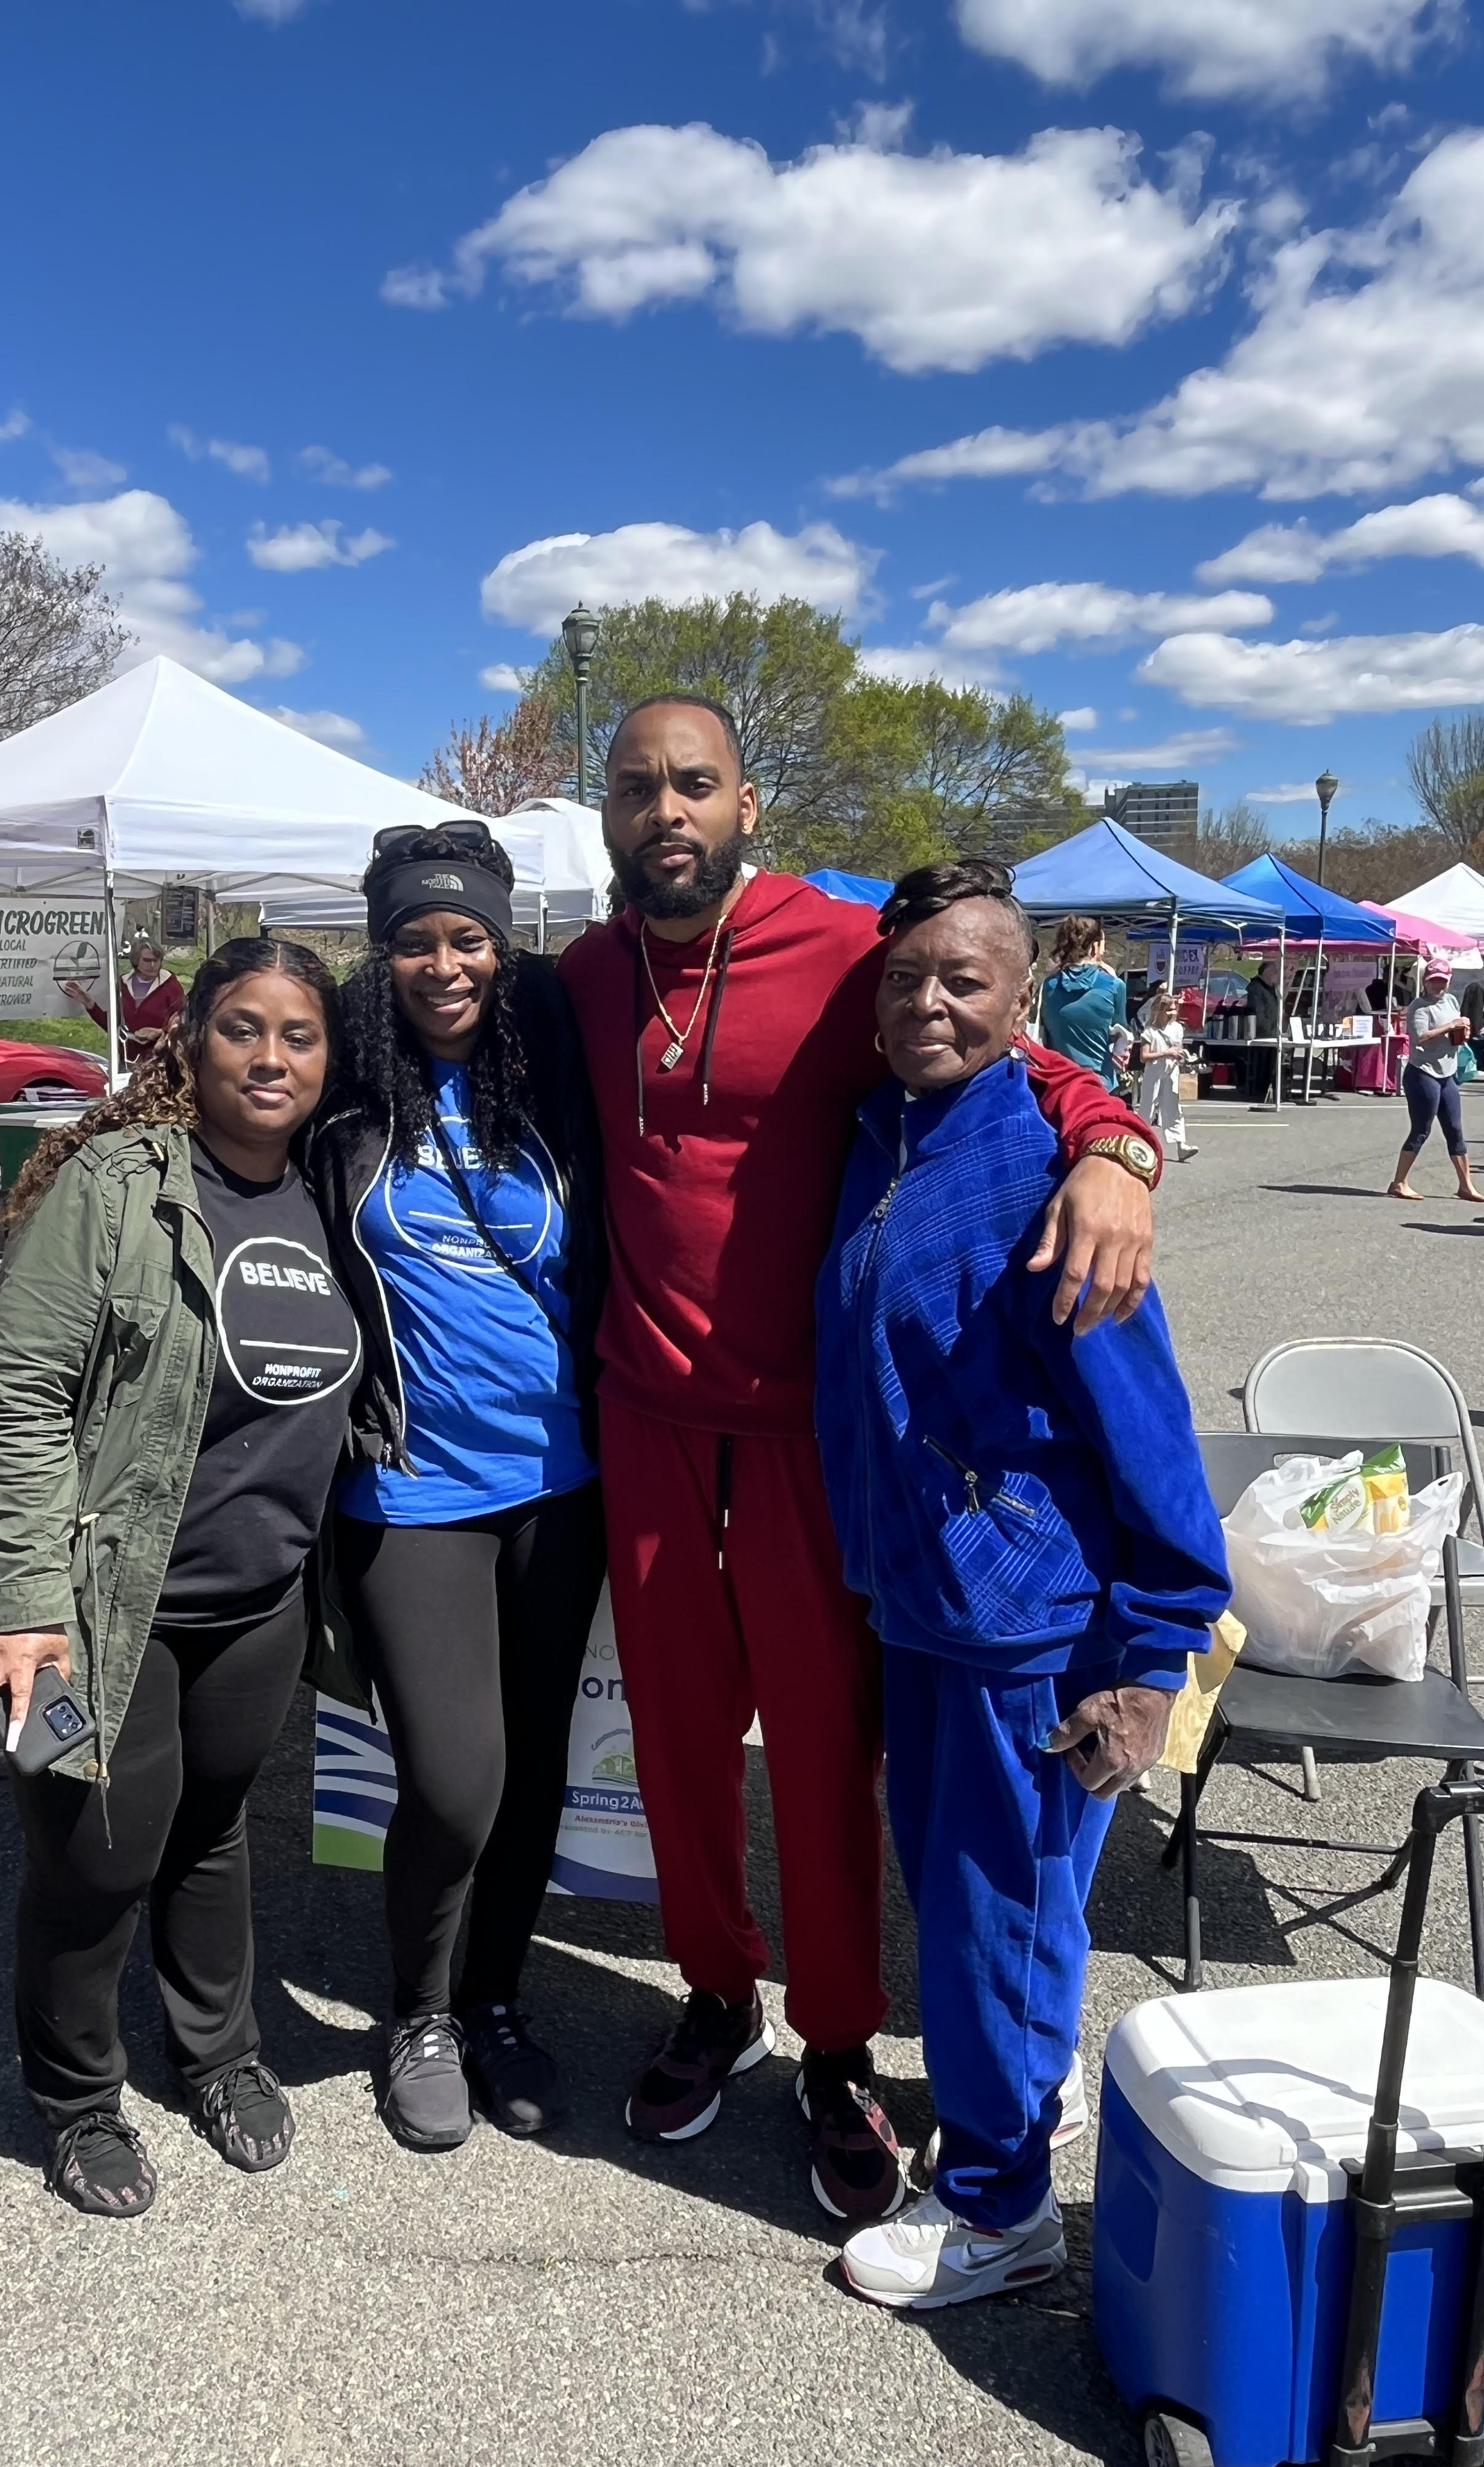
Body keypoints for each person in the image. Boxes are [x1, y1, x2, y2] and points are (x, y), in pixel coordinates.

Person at [556, 695, 1160, 2225]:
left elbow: (1010, 1051)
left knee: (824, 1759)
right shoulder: (576, 974)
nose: (666, 811)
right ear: (609, 810)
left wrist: (1114, 1148)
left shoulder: (837, 955)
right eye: (638, 789)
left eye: (695, 785)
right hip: (646, 1417)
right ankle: (714, 1997)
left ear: (748, 806)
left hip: (813, 1442)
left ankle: (832, 2046)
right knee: (679, 1749)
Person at [0, 940, 374, 2217]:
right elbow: (19, 1392)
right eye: (242, 1028)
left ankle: (219, 2054)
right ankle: (78, 2097)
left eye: (299, 1036)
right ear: (190, 1041)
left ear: (329, 1057)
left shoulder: (333, 1186)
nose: (271, 1057)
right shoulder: (122, 1182)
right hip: (104, 1608)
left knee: (210, 1836)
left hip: (260, 1597)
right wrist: (28, 1602)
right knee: (95, 1861)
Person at [814, 860, 1229, 2309]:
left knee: (1001, 1903)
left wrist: (1156, 1648)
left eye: (965, 980)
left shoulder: (1055, 1172)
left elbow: (1150, 1430)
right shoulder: (889, 1132)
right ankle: (1011, 2118)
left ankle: (1000, 2210)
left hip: (1027, 1621)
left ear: (1021, 1001)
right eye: (909, 976)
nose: (930, 1000)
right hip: (924, 1601)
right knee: (990, 1895)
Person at [310, 823, 607, 2154]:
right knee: (452, 1775)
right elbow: (198, 1106)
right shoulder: (341, 1093)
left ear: (503, 946)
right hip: (413, 1483)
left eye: (468, 937)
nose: (444, 962)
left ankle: (493, 2001)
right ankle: (416, 2011)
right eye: (417, 940)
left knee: (536, 1761)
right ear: (382, 955)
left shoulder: (552, 1080)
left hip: (564, 1478)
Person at [1387, 957, 1482, 1202]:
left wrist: (1464, 1030)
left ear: (1449, 982)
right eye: (1433, 981)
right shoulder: (1419, 1007)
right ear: (1425, 982)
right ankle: (1399, 1183)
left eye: (1442, 981)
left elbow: (1456, 1029)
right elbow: (1421, 1037)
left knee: (1455, 1129)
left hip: (1447, 1073)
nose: (1437, 986)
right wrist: (1452, 1025)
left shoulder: (1451, 1000)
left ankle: (1466, 1186)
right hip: (1423, 1074)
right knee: (1422, 1129)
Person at [1037, 916, 1128, 1090]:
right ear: (1095, 947)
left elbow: (1047, 1033)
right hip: (1100, 1083)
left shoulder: (1049, 986)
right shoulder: (1114, 986)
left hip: (1059, 1083)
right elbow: (1119, 1031)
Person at [68, 932, 185, 1062]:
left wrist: (160, 1033)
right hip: (126, 1061)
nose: (152, 966)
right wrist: (89, 1004)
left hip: (160, 1062)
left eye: (156, 961)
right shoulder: (122, 985)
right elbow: (112, 1026)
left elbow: (183, 1025)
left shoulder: (171, 987)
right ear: (135, 960)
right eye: (147, 961)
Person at [1133, 985, 1195, 1161]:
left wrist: (1183, 1057)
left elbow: (1179, 1049)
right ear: (1160, 1011)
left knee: (1174, 1108)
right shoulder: (1150, 1032)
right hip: (1154, 1073)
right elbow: (1144, 1056)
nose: (1172, 1013)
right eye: (1169, 1010)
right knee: (1148, 1108)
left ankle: (1181, 1145)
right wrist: (1165, 1054)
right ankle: (1140, 1143)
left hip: (1171, 1073)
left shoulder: (1177, 1029)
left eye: (1174, 1009)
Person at [1245, 958, 1282, 1103]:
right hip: (1261, 1036)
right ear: (1267, 972)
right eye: (1274, 972)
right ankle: (1258, 1090)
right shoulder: (1255, 987)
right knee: (1261, 1064)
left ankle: (1267, 1089)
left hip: (1273, 1035)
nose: (1277, 975)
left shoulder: (1271, 988)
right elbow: (1258, 1013)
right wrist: (1269, 1030)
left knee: (1270, 1064)